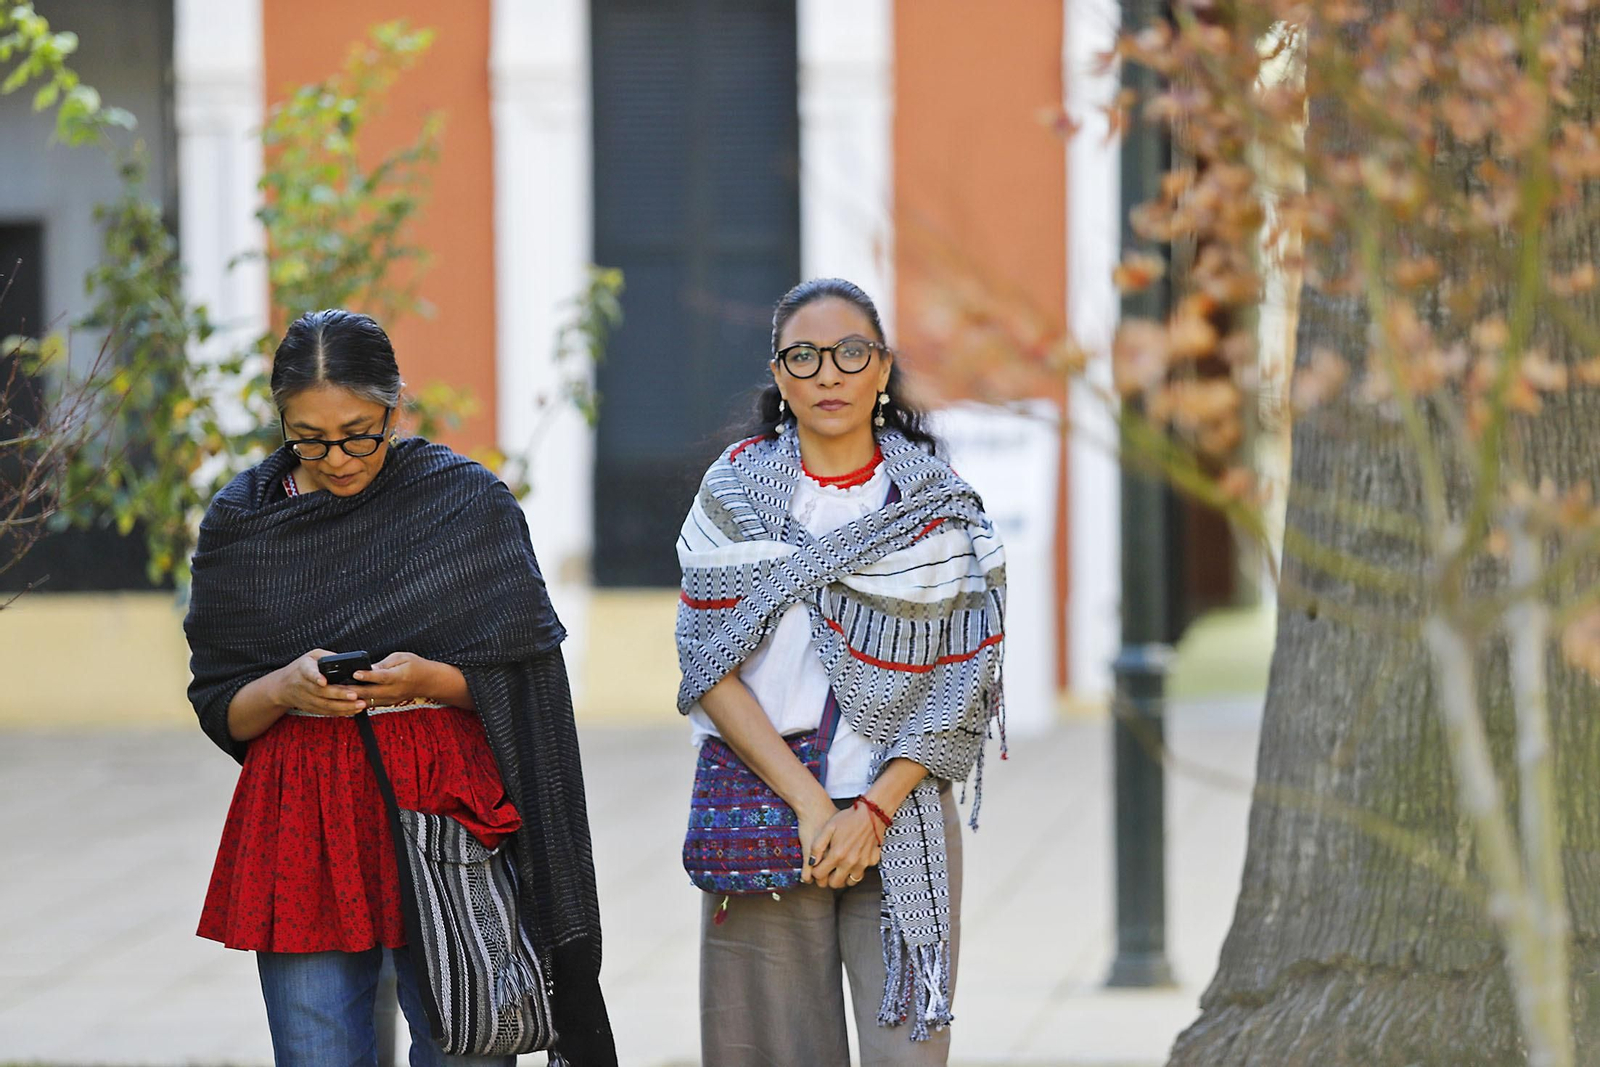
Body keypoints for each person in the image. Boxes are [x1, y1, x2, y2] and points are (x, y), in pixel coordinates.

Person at [185, 309, 616, 1067]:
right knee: (318, 1052)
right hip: (303, 819)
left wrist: (425, 678)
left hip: (444, 805)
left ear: (395, 405)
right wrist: (284, 687)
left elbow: (524, 676)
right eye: (309, 437)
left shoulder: (462, 501)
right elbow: (221, 701)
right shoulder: (242, 521)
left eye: (359, 431)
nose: (339, 457)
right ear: (281, 418)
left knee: (473, 1043)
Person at [675, 278, 1007, 1065]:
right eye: (805, 356)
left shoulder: (941, 507)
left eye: (850, 353)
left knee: (908, 1051)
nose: (829, 374)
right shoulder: (731, 495)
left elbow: (965, 682)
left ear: (883, 367)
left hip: (903, 816)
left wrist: (872, 814)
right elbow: (706, 662)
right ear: (780, 375)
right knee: (773, 1052)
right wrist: (815, 807)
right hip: (768, 805)